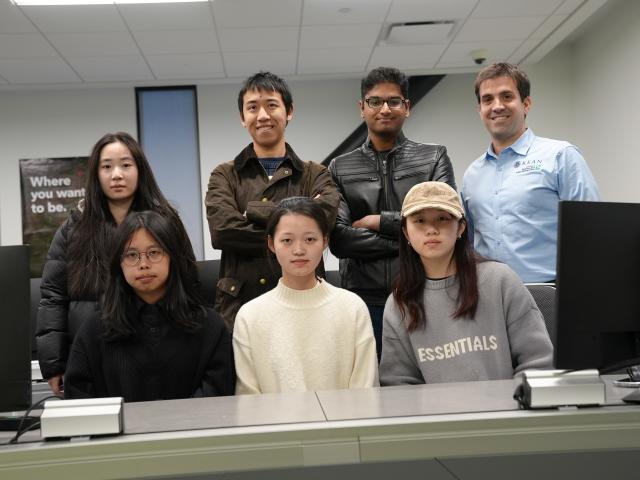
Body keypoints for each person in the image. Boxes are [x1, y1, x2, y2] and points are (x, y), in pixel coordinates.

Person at [36, 132, 194, 396]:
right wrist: (54, 365)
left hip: (159, 351)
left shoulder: (166, 221)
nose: (116, 174)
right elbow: (53, 297)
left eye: (126, 165)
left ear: (140, 170)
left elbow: (187, 282)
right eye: (107, 166)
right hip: (93, 354)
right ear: (96, 175)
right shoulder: (74, 228)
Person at [329, 66, 456, 358]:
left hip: (425, 294)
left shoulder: (433, 157)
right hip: (363, 300)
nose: (384, 108)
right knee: (372, 386)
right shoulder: (340, 167)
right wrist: (414, 236)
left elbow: (446, 222)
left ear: (406, 107)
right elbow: (340, 241)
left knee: (430, 382)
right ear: (362, 108)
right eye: (375, 101)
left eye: (393, 101)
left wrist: (379, 221)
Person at [379, 182, 553, 385]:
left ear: (460, 227)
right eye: (419, 220)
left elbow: (538, 364)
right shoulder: (399, 303)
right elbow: (399, 388)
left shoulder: (500, 281)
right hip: (436, 417)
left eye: (442, 219)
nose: (431, 230)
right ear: (406, 233)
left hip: (506, 412)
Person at [205, 71, 340, 330]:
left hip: (307, 305)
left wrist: (253, 212)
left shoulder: (315, 174)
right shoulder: (224, 174)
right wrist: (298, 232)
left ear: (289, 111)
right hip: (239, 308)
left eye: (272, 105)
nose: (263, 115)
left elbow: (326, 219)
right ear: (242, 118)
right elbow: (222, 232)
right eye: (253, 108)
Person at [64, 211, 235, 402]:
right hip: (116, 432)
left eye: (154, 253)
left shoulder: (210, 327)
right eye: (131, 255)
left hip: (189, 430)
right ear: (118, 264)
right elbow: (79, 399)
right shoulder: (94, 330)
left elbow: (218, 396)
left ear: (172, 257)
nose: (143, 264)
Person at [461, 62, 600, 283]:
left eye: (506, 96)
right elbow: (468, 242)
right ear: (480, 110)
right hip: (489, 296)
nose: (497, 106)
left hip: (549, 292)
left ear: (526, 104)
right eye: (487, 99)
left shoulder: (560, 156)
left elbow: (591, 230)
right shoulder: (472, 175)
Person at [233, 197, 378, 394]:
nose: (299, 250)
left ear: (325, 241)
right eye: (287, 240)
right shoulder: (250, 316)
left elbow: (366, 393)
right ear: (271, 244)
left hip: (344, 424)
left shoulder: (352, 308)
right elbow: (249, 400)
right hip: (274, 425)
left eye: (310, 239)